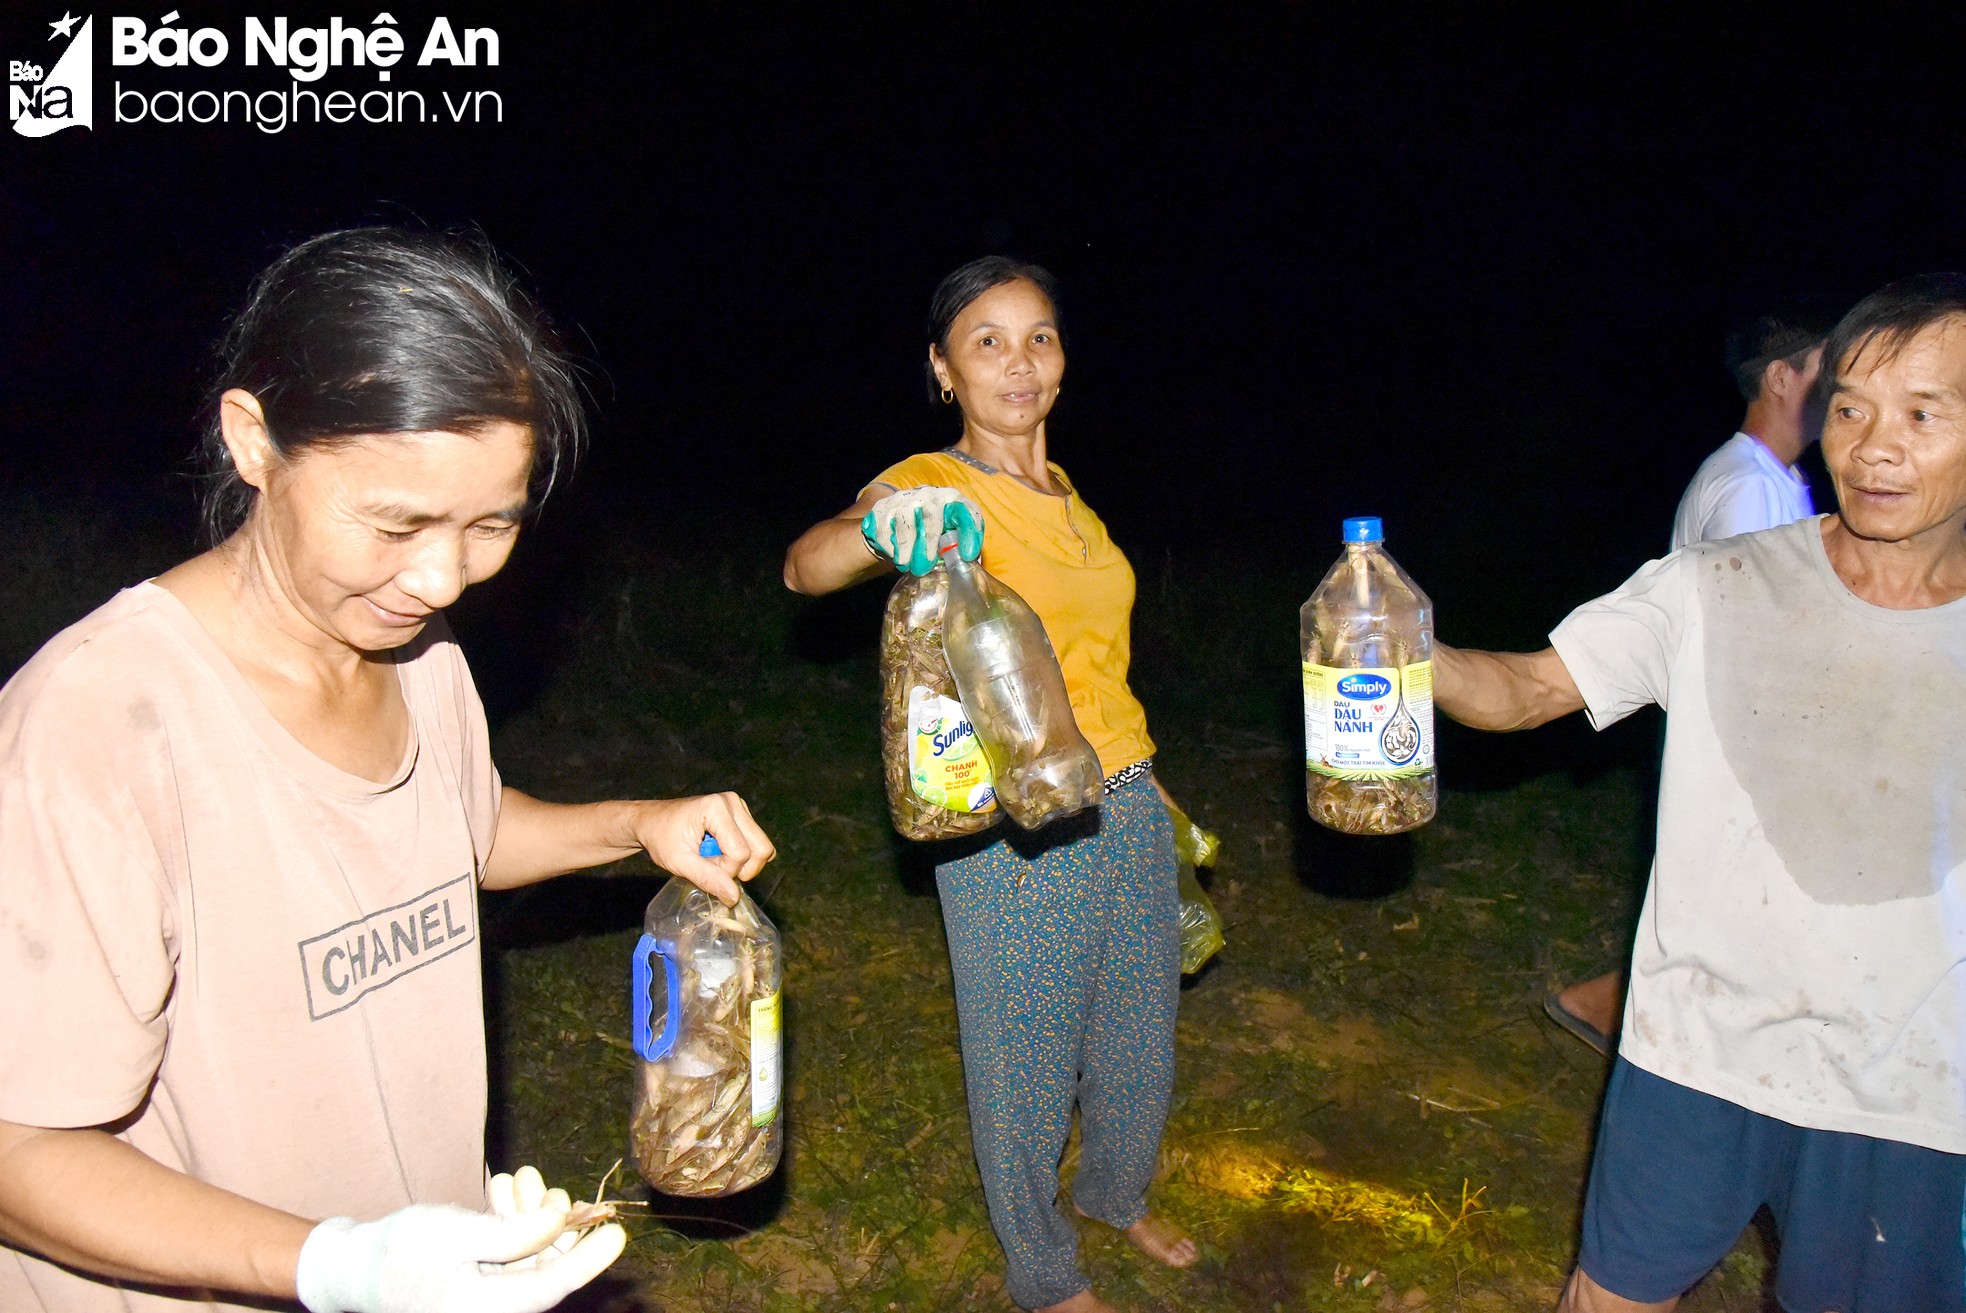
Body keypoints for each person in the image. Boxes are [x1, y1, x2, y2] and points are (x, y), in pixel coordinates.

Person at [0, 227, 777, 1313]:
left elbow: (463, 832)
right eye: (395, 521)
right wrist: (344, 1263)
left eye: (489, 525)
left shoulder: (414, 649)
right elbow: (20, 1148)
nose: (441, 575)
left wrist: (636, 820)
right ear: (253, 440)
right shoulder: (96, 725)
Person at [1433, 274, 1966, 1311]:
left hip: (1909, 1089)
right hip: (1696, 1049)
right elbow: (1528, 688)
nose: (1872, 445)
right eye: (1849, 407)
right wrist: (1409, 652)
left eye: (1921, 413)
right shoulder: (1718, 582)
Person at [783, 257, 1196, 1313]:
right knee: (1025, 1051)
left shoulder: (1069, 497)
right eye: (987, 340)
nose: (1020, 362)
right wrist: (881, 524)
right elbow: (808, 564)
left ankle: (1114, 1191)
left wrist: (1146, 791)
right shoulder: (938, 482)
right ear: (942, 368)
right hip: (1011, 817)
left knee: (1136, 1026)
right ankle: (1041, 1269)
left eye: (1039, 337)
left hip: (1130, 789)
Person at [1546, 311, 1829, 1054]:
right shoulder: (1743, 487)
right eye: (1827, 369)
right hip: (1741, 751)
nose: (1843, 391)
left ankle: (1621, 1012)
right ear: (1780, 377)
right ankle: (1618, 1012)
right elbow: (1751, 647)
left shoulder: (1778, 481)